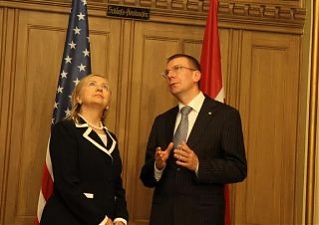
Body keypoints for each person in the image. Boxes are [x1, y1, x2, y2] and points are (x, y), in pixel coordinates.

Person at [140, 54, 247, 225]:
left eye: (177, 69)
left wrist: (198, 164)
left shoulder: (225, 116)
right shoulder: (162, 121)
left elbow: (238, 169)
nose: (170, 75)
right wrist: (157, 166)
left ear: (196, 75)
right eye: (167, 73)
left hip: (203, 217)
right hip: (164, 216)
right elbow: (146, 177)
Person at [40, 74, 129, 225]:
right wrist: (101, 220)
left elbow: (116, 186)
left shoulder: (112, 138)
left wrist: (121, 218)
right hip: (68, 219)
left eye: (105, 87)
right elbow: (66, 184)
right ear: (78, 98)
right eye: (92, 84)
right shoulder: (65, 130)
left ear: (108, 104)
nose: (100, 88)